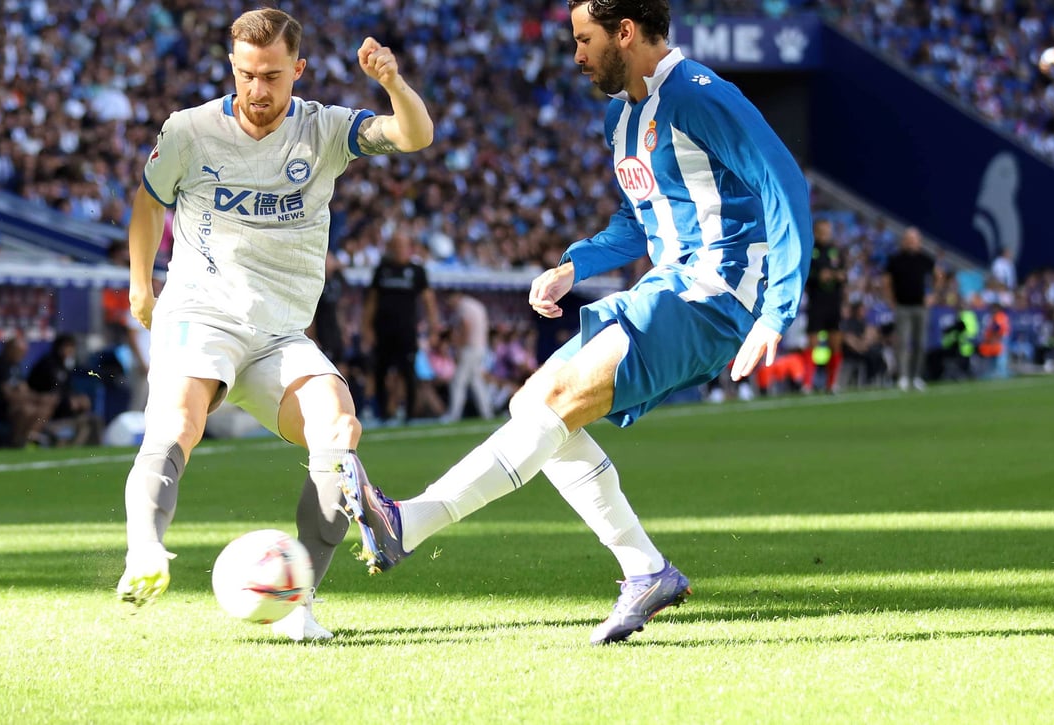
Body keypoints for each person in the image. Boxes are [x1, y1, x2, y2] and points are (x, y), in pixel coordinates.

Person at [337, 0, 811, 645]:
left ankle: (407, 522)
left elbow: (785, 186)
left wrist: (778, 309)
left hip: (719, 292)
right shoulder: (619, 116)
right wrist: (573, 266)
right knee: (533, 403)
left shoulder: (702, 96)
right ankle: (646, 571)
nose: (578, 55)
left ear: (626, 32)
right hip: (671, 283)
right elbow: (636, 220)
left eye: (585, 40)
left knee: (552, 402)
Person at [116, 7, 433, 644]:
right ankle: (144, 552)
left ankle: (299, 602)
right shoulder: (189, 130)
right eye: (244, 75)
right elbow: (150, 200)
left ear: (299, 70)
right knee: (180, 422)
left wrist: (393, 83)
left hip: (281, 332)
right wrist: (142, 282)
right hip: (200, 310)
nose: (257, 90)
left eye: (271, 76)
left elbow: (414, 136)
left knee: (339, 431)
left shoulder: (326, 130)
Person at [363, 232, 440, 423]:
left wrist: (433, 329)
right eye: (395, 246)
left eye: (402, 246)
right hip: (383, 331)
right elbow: (371, 301)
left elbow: (429, 301)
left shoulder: (417, 271)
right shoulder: (382, 270)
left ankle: (409, 414)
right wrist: (367, 328)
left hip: (406, 331)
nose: (399, 250)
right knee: (381, 371)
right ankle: (383, 412)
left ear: (410, 248)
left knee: (408, 372)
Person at [0, 337, 59, 448]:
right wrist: (34, 398)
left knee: (45, 407)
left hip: (14, 404)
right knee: (26, 410)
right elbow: (8, 395)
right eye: (20, 352)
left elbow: (24, 389)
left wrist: (39, 398)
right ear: (10, 349)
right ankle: (15, 441)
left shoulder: (15, 366)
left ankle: (30, 437)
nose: (22, 355)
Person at [883, 227, 936, 391]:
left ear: (919, 241)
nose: (911, 243)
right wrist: (890, 299)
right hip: (902, 305)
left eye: (914, 240)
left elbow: (938, 276)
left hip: (920, 306)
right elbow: (887, 281)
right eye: (908, 239)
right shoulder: (896, 259)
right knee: (903, 342)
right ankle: (903, 376)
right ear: (903, 241)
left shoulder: (926, 259)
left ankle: (916, 376)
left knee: (920, 342)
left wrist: (933, 294)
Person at [439, 290, 495, 423]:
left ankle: (453, 414)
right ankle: (487, 413)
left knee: (458, 382)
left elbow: (465, 326)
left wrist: (459, 347)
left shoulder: (463, 306)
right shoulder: (476, 305)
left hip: (469, 348)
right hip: (480, 347)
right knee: (476, 382)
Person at [804, 219, 847, 393]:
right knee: (812, 343)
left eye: (827, 231)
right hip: (816, 302)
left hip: (834, 303)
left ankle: (832, 383)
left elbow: (845, 275)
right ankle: (807, 383)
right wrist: (818, 277)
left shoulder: (836, 252)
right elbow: (805, 276)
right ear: (815, 231)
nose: (825, 234)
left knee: (835, 343)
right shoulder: (810, 251)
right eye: (821, 231)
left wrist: (839, 276)